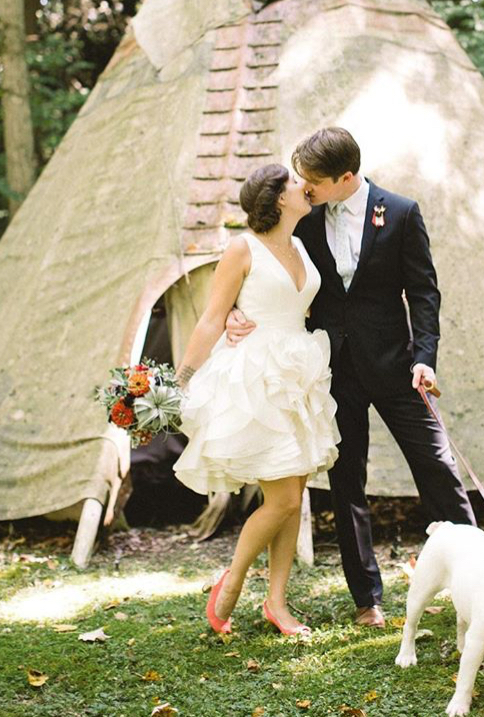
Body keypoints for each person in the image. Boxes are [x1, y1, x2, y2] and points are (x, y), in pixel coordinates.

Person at [227, 128, 476, 627]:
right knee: (347, 485)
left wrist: (425, 357)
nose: (304, 186)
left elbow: (423, 293)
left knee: (436, 466)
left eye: (313, 180)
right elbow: (259, 258)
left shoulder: (401, 213)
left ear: (346, 177)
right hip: (331, 370)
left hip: (398, 366)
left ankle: (474, 577)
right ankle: (368, 599)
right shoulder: (303, 216)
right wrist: (235, 307)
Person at [172, 163, 340, 637]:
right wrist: (180, 381)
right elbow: (211, 318)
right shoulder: (241, 248)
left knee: (292, 495)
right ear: (277, 198)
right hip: (257, 377)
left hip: (301, 371)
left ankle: (278, 603)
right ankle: (233, 581)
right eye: (294, 182)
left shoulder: (303, 245)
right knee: (284, 497)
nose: (303, 186)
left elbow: (298, 305)